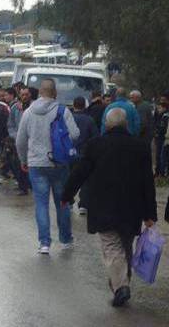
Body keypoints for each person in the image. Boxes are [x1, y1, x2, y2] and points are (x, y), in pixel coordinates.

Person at [62, 108, 157, 307]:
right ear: (126, 125)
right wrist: (150, 213)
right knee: (125, 245)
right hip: (132, 207)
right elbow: (148, 181)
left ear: (106, 124)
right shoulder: (140, 147)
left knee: (112, 246)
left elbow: (80, 172)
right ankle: (121, 283)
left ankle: (121, 286)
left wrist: (67, 195)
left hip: (103, 205)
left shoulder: (95, 145)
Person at [16, 79, 80, 255]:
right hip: (59, 163)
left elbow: (20, 140)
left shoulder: (28, 112)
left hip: (36, 163)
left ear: (39, 92)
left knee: (41, 204)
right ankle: (66, 239)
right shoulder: (62, 110)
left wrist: (24, 160)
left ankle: (44, 243)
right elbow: (75, 134)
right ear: (55, 93)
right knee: (62, 202)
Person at [71, 96, 99, 214]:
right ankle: (84, 205)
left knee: (69, 178)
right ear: (85, 105)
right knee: (86, 180)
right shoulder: (90, 120)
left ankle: (69, 202)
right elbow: (96, 137)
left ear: (73, 105)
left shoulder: (68, 118)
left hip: (70, 154)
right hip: (85, 155)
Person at [7, 87, 32, 195]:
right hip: (18, 141)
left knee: (28, 164)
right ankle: (22, 185)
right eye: (22, 94)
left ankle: (27, 186)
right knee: (16, 163)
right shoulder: (15, 108)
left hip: (31, 141)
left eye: (26, 94)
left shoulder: (34, 108)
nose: (24, 97)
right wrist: (15, 135)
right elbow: (10, 124)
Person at [0, 87, 18, 179]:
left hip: (11, 135)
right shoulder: (10, 105)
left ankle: (7, 171)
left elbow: (11, 122)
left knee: (8, 154)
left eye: (6, 95)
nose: (4, 97)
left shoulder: (14, 106)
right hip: (9, 134)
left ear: (12, 95)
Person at [153, 102, 169, 177]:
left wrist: (157, 132)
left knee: (160, 155)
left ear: (164, 108)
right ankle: (158, 171)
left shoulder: (165, 116)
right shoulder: (159, 115)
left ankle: (161, 172)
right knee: (158, 155)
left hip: (161, 138)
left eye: (159, 108)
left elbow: (162, 127)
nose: (158, 110)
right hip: (159, 137)